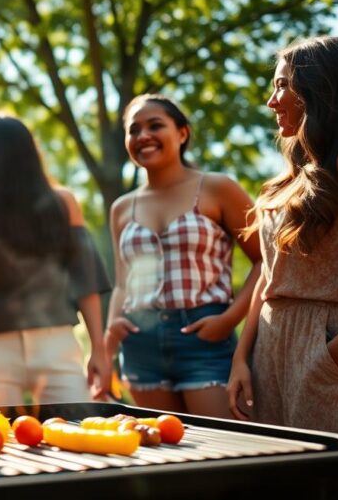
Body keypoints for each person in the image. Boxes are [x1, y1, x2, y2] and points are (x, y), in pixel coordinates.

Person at [227, 36, 338, 498]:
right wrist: (241, 358)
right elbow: (269, 278)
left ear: (318, 87)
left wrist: (336, 353)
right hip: (269, 346)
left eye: (281, 85)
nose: (271, 101)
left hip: (325, 340)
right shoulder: (294, 171)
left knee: (328, 488)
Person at [104, 94, 261, 418]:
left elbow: (266, 260)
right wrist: (109, 339)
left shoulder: (218, 188)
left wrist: (229, 319)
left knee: (223, 457)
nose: (143, 135)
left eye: (155, 125)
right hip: (139, 346)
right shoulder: (121, 208)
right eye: (134, 130)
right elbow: (123, 283)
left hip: (205, 339)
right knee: (166, 456)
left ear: (182, 133)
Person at [0, 115, 110, 408]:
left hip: (56, 345)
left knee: (79, 433)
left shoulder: (63, 204)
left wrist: (99, 348)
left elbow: (85, 282)